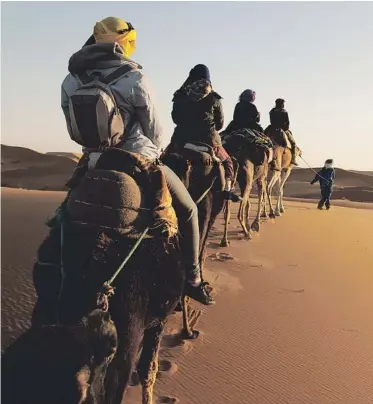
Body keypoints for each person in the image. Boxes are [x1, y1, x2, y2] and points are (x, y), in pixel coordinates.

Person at [60, 17, 214, 305]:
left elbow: (71, 125)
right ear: (126, 42)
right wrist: (153, 154)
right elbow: (155, 131)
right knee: (190, 211)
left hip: (93, 162)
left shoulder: (71, 79)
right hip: (137, 161)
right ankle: (193, 278)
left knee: (63, 213)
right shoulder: (135, 78)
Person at [170, 64, 240, 202]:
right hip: (208, 141)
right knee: (228, 162)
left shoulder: (180, 94)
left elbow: (175, 118)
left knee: (161, 159)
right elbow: (219, 124)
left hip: (181, 139)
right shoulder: (214, 97)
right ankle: (227, 189)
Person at [269, 98, 298, 165]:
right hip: (282, 129)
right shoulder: (284, 112)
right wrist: (285, 128)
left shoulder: (272, 111)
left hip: (272, 128)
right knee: (293, 143)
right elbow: (287, 122)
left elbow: (271, 121)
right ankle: (293, 159)